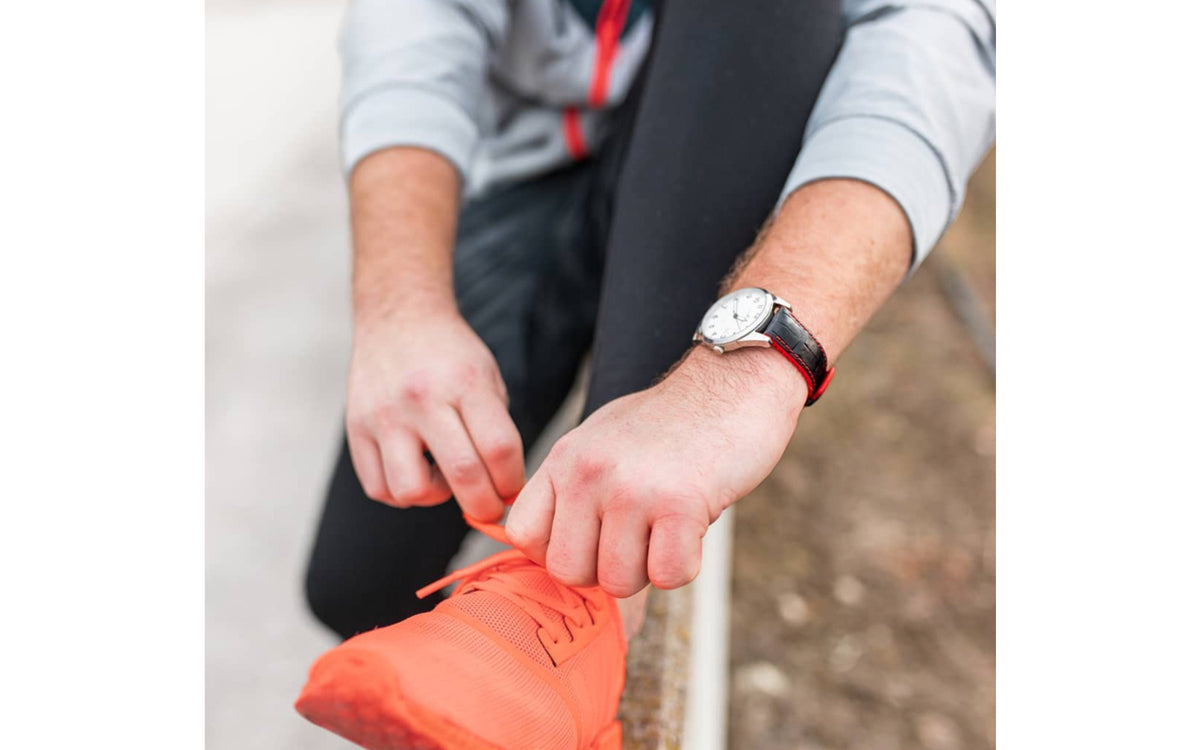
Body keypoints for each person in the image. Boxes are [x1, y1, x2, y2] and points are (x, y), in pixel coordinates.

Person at [295, 0, 996, 747]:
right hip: (533, 174)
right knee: (357, 578)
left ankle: (588, 606)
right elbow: (414, 28)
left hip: (719, 148)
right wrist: (400, 307)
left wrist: (740, 379)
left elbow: (929, 53)